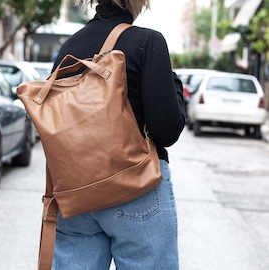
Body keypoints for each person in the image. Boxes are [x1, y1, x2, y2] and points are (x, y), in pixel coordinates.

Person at [51, 0, 186, 269]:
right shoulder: (148, 42)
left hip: (78, 191)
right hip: (136, 188)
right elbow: (167, 129)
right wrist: (175, 85)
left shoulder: (69, 48)